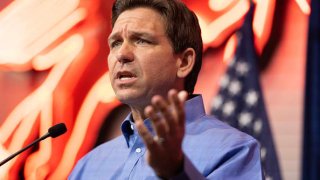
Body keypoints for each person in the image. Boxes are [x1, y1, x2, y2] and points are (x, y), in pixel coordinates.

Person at [69, 0, 263, 179]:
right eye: (116, 43)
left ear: (184, 62)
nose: (122, 54)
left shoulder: (233, 150)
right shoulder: (87, 166)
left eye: (141, 40)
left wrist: (177, 172)